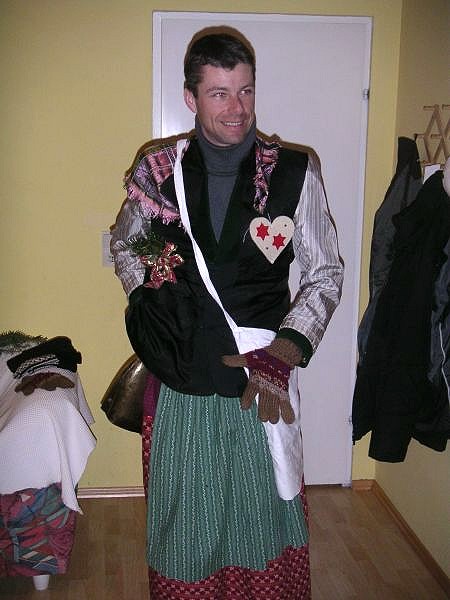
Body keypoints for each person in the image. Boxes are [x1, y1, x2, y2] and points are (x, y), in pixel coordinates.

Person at [111, 28, 343, 600]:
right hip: (182, 377)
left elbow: (325, 273)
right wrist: (151, 292)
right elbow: (124, 244)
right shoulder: (157, 171)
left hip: (261, 381)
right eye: (219, 93)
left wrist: (285, 351)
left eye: (246, 90)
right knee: (185, 522)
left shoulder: (295, 171)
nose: (237, 108)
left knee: (262, 518)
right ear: (190, 97)